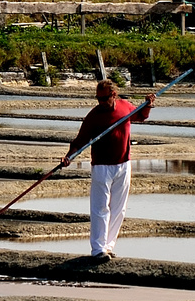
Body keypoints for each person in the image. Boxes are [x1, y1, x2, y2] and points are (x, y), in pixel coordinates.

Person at [64, 79, 153, 259]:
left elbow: (141, 116)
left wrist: (148, 105)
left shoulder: (125, 107)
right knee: (100, 208)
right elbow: (80, 140)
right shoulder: (94, 116)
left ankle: (108, 246)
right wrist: (69, 156)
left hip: (123, 164)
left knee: (119, 208)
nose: (100, 102)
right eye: (98, 98)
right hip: (102, 166)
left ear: (113, 95)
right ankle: (98, 249)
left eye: (103, 98)